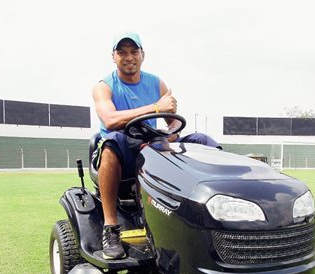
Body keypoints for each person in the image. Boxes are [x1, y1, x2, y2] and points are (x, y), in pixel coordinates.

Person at [92, 31, 220, 260]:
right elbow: (110, 121)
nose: (128, 57)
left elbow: (173, 122)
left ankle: (219, 208)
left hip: (151, 145)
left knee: (202, 140)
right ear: (114, 56)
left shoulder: (156, 82)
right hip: (122, 150)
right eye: (122, 52)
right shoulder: (104, 86)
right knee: (112, 142)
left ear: (143, 54)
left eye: (134, 51)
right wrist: (156, 108)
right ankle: (111, 228)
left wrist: (170, 133)